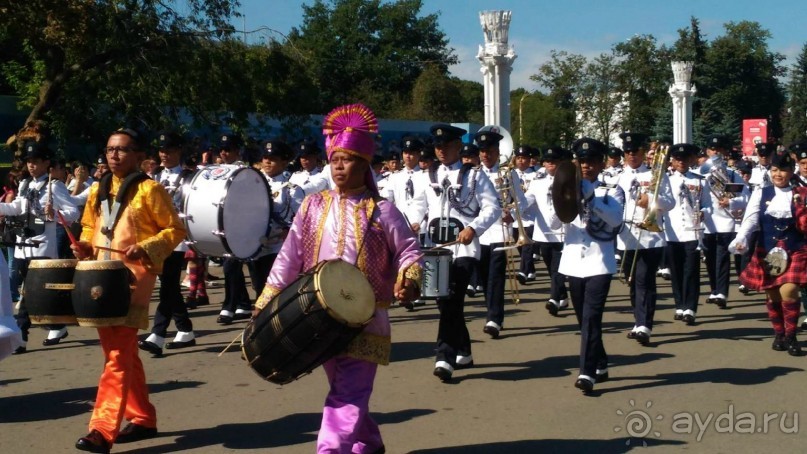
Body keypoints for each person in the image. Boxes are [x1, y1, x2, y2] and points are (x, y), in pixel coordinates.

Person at [253, 103, 422, 453]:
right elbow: (289, 257)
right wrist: (266, 302)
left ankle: (329, 450)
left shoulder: (383, 210)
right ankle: (370, 443)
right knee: (346, 391)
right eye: (335, 160)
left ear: (364, 164)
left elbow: (409, 250)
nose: (339, 166)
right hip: (314, 316)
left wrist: (409, 277)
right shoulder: (312, 206)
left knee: (347, 395)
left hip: (367, 318)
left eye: (347, 160)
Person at [71, 128, 186, 453]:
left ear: (138, 156)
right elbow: (92, 226)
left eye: (122, 150)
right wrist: (83, 244)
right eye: (110, 149)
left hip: (132, 280)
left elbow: (175, 229)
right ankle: (143, 417)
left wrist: (148, 247)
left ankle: (101, 430)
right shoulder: (98, 189)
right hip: (100, 278)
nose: (114, 155)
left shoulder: (150, 190)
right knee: (120, 352)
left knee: (118, 354)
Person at [407, 123, 500, 381]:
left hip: (464, 248)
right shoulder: (427, 176)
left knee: (452, 300)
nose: (441, 151)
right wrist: (415, 222)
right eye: (437, 146)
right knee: (443, 302)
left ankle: (444, 356)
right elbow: (418, 205)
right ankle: (464, 350)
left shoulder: (474, 176)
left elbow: (492, 208)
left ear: (458, 146)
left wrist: (474, 227)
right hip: (437, 247)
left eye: (446, 146)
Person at [553, 138, 624, 394]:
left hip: (599, 262)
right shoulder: (568, 188)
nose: (586, 166)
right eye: (582, 161)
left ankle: (587, 372)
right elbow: (554, 223)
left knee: (592, 319)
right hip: (573, 262)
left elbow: (617, 220)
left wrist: (591, 198)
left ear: (601, 163)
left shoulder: (611, 189)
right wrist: (563, 197)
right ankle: (601, 362)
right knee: (583, 320)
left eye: (592, 161)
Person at [0, 141, 79, 353]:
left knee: (31, 291)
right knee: (33, 291)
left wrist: (54, 214)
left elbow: (73, 212)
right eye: (29, 162)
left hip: (43, 245)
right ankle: (56, 326)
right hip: (23, 243)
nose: (32, 165)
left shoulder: (55, 186)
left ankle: (22, 334)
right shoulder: (25, 184)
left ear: (46, 163)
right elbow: (18, 207)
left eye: (36, 161)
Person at [730, 148, 807, 356]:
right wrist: (741, 238)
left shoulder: (801, 194)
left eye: (782, 170)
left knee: (789, 290)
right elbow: (751, 219)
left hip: (795, 249)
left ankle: (791, 336)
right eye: (774, 170)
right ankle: (779, 334)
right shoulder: (761, 193)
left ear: (791, 172)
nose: (777, 174)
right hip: (767, 249)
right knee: (772, 293)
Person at [138, 131, 197, 357]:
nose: (164, 155)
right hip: (156, 237)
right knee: (169, 285)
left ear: (179, 152)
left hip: (177, 237)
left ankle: (158, 334)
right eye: (162, 151)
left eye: (169, 150)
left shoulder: (190, 176)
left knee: (168, 284)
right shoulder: (153, 177)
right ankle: (185, 329)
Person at [616, 132, 675, 345]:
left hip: (650, 236)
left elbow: (670, 203)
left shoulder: (657, 175)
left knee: (644, 279)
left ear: (643, 153)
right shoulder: (617, 177)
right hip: (627, 235)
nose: (632, 155)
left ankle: (645, 325)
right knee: (633, 281)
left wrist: (651, 199)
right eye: (628, 152)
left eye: (636, 151)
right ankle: (638, 321)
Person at [475, 128, 528, 338]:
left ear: (497, 152)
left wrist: (512, 215)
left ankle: (494, 318)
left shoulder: (508, 173)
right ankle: (492, 311)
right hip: (480, 232)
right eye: (482, 151)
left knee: (496, 276)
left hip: (500, 231)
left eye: (489, 150)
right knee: (483, 275)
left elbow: (521, 201)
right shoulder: (473, 174)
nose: (485, 155)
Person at [700, 134, 750, 308]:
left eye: (720, 149)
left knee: (722, 257)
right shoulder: (700, 175)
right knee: (710, 258)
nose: (716, 153)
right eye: (713, 149)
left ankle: (722, 292)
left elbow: (746, 198)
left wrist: (731, 201)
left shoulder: (733, 174)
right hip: (706, 223)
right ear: (707, 151)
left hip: (725, 221)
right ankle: (714, 290)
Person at [664, 144, 710, 324]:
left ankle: (690, 307)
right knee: (676, 271)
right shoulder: (666, 180)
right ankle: (679, 305)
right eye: (677, 159)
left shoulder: (699, 180)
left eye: (684, 159)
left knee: (691, 271)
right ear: (672, 161)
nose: (681, 162)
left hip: (692, 231)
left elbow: (707, 204)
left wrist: (704, 212)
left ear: (690, 160)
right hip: (672, 232)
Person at [253, 139, 304, 296]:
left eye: (273, 159)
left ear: (284, 162)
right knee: (258, 286)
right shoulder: (251, 183)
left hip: (278, 246)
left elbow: (300, 221)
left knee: (275, 289)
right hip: (255, 245)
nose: (267, 162)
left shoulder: (292, 189)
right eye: (265, 158)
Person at [524, 146, 570, 316]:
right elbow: (528, 198)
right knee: (551, 267)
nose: (551, 164)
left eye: (554, 161)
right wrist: (515, 208)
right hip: (543, 232)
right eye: (548, 161)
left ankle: (553, 299)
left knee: (558, 267)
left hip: (562, 231)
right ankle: (562, 296)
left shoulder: (568, 180)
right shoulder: (537, 182)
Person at [216, 134, 254, 325]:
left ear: (237, 151)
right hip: (223, 225)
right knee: (232, 267)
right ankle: (244, 303)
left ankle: (228, 306)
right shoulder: (218, 171)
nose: (224, 152)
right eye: (222, 149)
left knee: (230, 266)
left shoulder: (245, 171)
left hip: (241, 226)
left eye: (228, 149)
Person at [512, 145, 536, 283]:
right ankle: (531, 270)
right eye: (519, 158)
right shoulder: (510, 174)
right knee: (520, 245)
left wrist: (521, 205)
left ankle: (523, 271)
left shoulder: (535, 175)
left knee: (527, 246)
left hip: (530, 217)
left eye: (524, 158)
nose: (521, 161)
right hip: (515, 217)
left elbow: (532, 196)